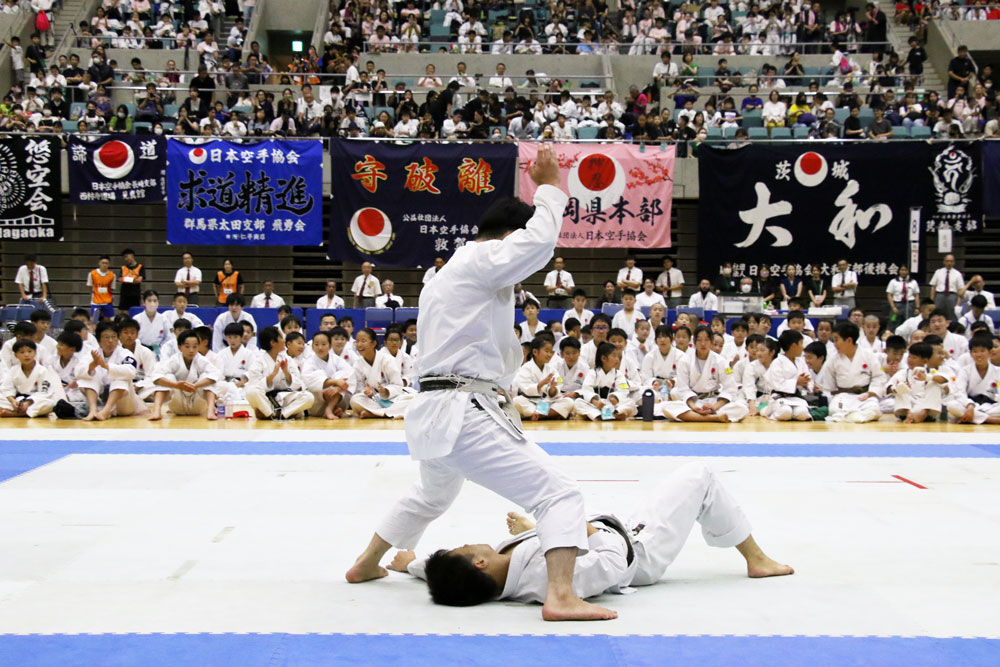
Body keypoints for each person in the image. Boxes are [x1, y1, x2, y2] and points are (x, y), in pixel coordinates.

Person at [346, 146, 619, 622]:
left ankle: (367, 563)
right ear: (507, 238)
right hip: (460, 410)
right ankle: (560, 595)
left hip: (435, 413)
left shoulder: (449, 274)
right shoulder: (481, 260)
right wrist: (551, 186)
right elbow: (537, 244)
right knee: (560, 494)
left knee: (433, 495)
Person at [390, 461, 792, 610]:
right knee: (699, 477)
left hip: (611, 526)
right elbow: (615, 567)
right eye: (466, 547)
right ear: (478, 563)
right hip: (639, 550)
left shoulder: (483, 573)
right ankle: (756, 559)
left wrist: (412, 565)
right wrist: (588, 529)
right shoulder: (547, 580)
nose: (470, 542)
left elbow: (439, 571)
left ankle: (544, 527)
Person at [660, 326, 749, 422]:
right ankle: (714, 417)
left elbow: (730, 388)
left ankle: (696, 417)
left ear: (711, 341)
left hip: (713, 401)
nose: (703, 344)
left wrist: (714, 407)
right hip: (693, 401)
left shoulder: (720, 361)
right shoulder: (685, 360)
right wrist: (694, 407)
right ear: (694, 342)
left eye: (706, 340)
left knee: (742, 408)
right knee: (667, 407)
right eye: (699, 340)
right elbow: (683, 388)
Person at [76, 321, 146, 421]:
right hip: (99, 401)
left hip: (124, 405)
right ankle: (93, 410)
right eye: (106, 337)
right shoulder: (92, 353)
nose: (110, 341)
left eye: (113, 337)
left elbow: (131, 372)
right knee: (88, 376)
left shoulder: (125, 353)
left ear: (118, 339)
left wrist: (105, 366)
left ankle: (106, 411)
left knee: (120, 378)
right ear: (99, 340)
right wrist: (92, 366)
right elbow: (78, 372)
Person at [148, 330, 223, 421]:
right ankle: (156, 412)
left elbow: (215, 374)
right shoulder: (174, 360)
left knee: (207, 377)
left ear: (198, 347)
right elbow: (156, 375)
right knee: (168, 377)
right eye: (187, 347)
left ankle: (210, 411)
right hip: (177, 404)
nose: (191, 350)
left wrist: (196, 385)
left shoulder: (201, 360)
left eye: (194, 347)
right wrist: (175, 385)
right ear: (180, 347)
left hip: (198, 405)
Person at [820, 322, 887, 423]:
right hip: (842, 397)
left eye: (837, 340)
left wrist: (871, 392)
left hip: (864, 396)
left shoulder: (868, 355)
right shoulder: (833, 359)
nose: (834, 344)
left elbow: (879, 377)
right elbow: (828, 386)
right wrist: (832, 399)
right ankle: (854, 416)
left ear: (849, 340)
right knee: (834, 409)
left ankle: (849, 416)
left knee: (874, 409)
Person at [245, 326, 314, 420]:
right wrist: (273, 374)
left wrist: (286, 372)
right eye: (281, 337)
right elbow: (256, 386)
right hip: (266, 399)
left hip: (284, 398)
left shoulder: (287, 360)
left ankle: (281, 414)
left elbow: (298, 384)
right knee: (251, 391)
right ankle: (271, 414)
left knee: (309, 397)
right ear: (273, 342)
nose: (284, 340)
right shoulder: (258, 362)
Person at [349, 327, 409, 419]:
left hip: (393, 398)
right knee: (355, 399)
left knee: (411, 400)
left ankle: (375, 413)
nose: (359, 345)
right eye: (357, 341)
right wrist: (367, 392)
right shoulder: (357, 364)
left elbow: (398, 385)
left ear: (374, 343)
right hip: (374, 400)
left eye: (363, 341)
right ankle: (384, 413)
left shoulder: (387, 360)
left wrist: (386, 391)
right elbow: (359, 389)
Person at [513, 335, 574, 421]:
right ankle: (548, 414)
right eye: (546, 351)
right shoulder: (525, 368)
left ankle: (540, 415)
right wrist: (542, 383)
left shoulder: (552, 369)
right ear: (535, 352)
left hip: (548, 402)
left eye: (551, 352)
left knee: (569, 402)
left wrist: (553, 389)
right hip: (531, 401)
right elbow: (526, 388)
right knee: (517, 401)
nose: (549, 355)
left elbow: (560, 381)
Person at [0, 340, 65, 418]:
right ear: (16, 355)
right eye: (22, 352)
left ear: (35, 353)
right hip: (18, 400)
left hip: (34, 401)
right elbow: (7, 389)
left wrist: (28, 403)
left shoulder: (42, 370)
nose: (26, 355)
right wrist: (13, 402)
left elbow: (44, 392)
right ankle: (22, 411)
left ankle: (15, 414)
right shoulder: (13, 370)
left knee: (49, 404)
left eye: (30, 351)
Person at [946, 336, 1000, 424]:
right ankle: (989, 419)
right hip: (970, 405)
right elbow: (960, 392)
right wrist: (970, 405)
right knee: (952, 406)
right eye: (975, 351)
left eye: (982, 351)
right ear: (970, 354)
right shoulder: (965, 371)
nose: (979, 354)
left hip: (991, 406)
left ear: (990, 352)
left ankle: (973, 417)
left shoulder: (998, 371)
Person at [762, 330, 813, 421]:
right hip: (780, 397)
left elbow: (808, 379)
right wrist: (796, 382)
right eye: (801, 344)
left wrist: (806, 383)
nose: (803, 348)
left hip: (796, 397)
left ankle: (793, 414)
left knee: (803, 413)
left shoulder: (801, 362)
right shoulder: (777, 362)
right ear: (793, 346)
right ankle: (771, 413)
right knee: (785, 412)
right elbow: (777, 384)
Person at [929, 254, 964, 321]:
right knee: (937, 313)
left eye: (951, 261)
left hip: (952, 295)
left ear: (954, 262)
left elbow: (960, 289)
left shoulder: (958, 274)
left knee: (952, 314)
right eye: (947, 261)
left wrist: (958, 302)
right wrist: (931, 299)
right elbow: (933, 286)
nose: (949, 263)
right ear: (944, 262)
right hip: (939, 295)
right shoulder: (938, 272)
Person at [886, 265, 920, 331]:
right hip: (897, 305)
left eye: (905, 270)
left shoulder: (913, 282)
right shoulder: (893, 282)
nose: (904, 272)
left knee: (909, 321)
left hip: (909, 304)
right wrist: (893, 307)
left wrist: (917, 307)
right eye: (902, 270)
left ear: (908, 271)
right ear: (899, 271)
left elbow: (916, 295)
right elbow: (889, 295)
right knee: (893, 320)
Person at [88, 256, 116, 321]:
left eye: (106, 263)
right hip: (96, 301)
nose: (104, 265)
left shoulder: (112, 275)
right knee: (93, 320)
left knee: (110, 320)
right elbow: (89, 286)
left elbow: (112, 288)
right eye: (103, 263)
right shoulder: (92, 273)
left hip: (107, 301)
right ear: (99, 263)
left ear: (109, 264)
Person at [118, 249, 145, 313]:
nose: (125, 259)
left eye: (127, 256)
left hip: (135, 295)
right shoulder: (123, 268)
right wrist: (133, 280)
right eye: (124, 257)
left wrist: (127, 279)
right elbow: (120, 279)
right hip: (125, 294)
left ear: (132, 255)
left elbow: (139, 280)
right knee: (124, 314)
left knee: (135, 313)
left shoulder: (140, 267)